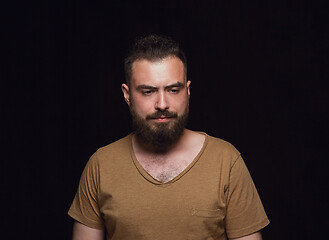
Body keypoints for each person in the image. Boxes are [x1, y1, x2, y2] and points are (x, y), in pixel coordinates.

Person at [68, 34, 269, 240]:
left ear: (188, 91)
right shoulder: (101, 165)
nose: (162, 104)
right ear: (127, 95)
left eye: (173, 90)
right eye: (148, 91)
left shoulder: (226, 162)